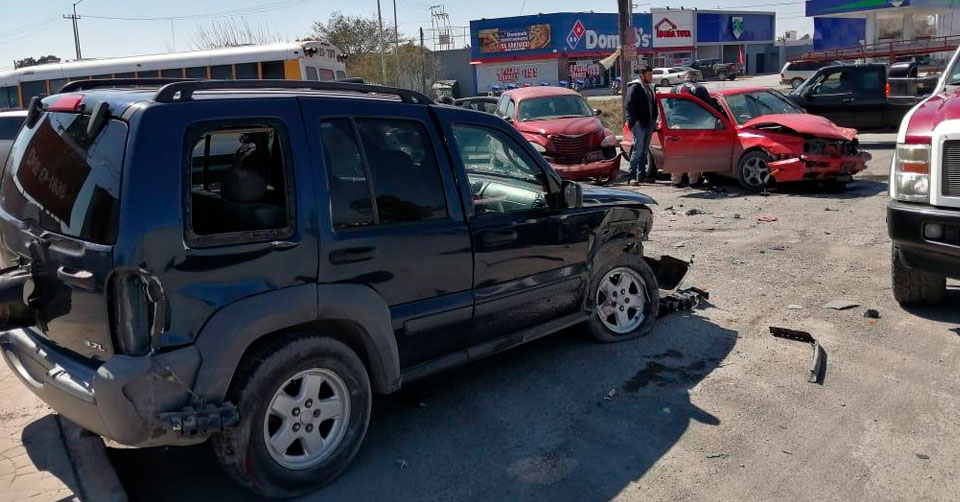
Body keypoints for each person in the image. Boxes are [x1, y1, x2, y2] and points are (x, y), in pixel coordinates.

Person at [624, 66, 658, 185]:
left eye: (651, 74)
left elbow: (654, 105)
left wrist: (654, 120)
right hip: (639, 124)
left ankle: (642, 176)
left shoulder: (650, 88)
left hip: (649, 123)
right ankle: (631, 176)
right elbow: (629, 105)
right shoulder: (635, 87)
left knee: (644, 150)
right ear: (642, 75)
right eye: (648, 75)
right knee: (638, 150)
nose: (651, 77)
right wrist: (635, 121)